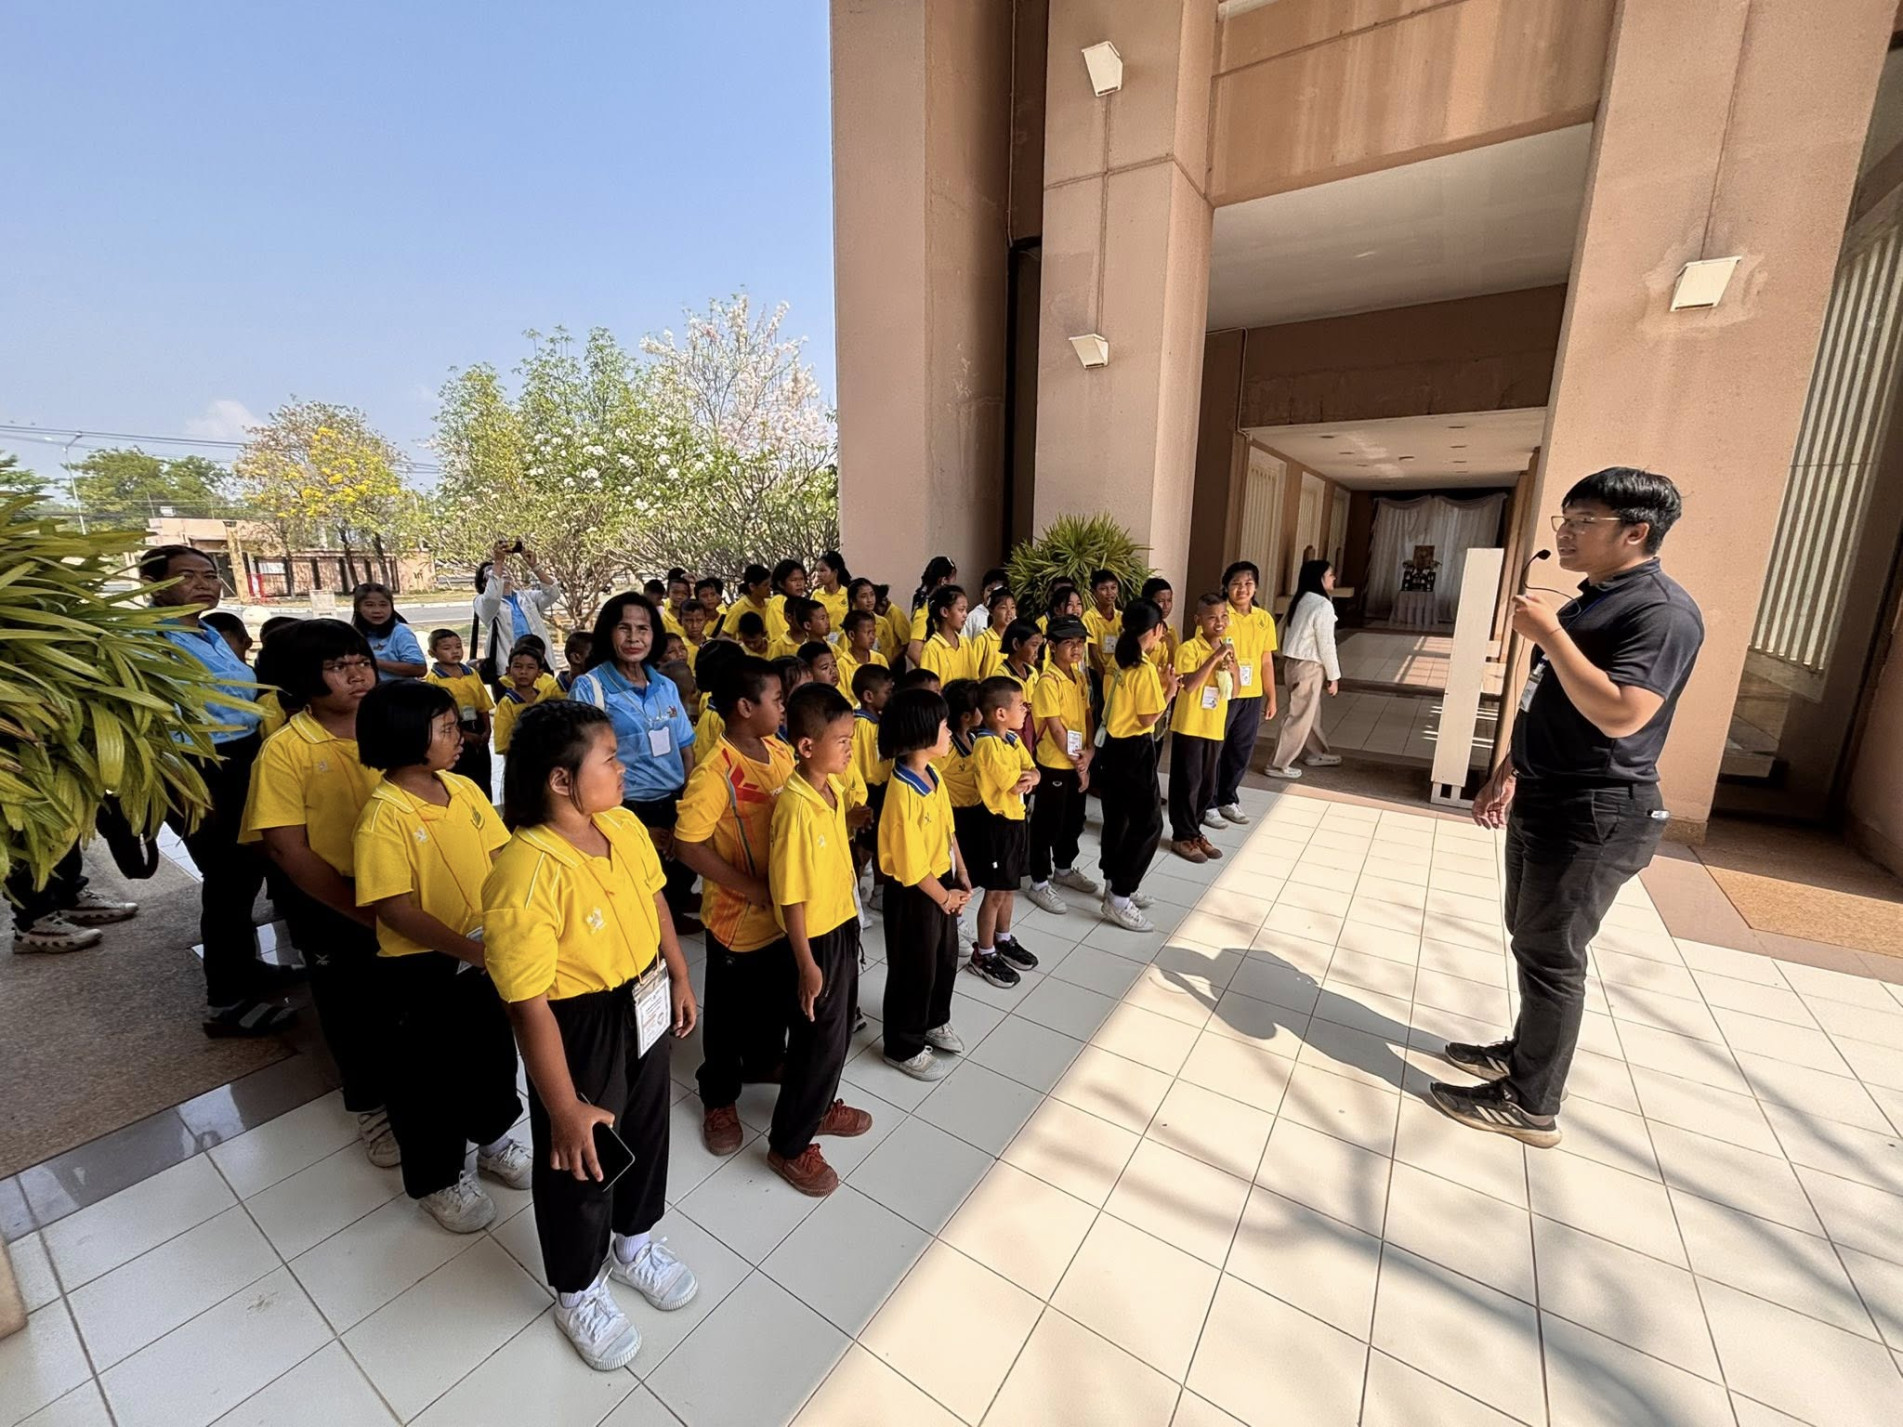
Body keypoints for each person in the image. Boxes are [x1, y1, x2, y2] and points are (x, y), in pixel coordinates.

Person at [1431, 468, 1704, 1148]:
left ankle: (1531, 1103)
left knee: (1553, 954)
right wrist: (1509, 767)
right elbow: (1546, 698)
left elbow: (1623, 712)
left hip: (1596, 809)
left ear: (1635, 531)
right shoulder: (1592, 601)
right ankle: (1522, 1055)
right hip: (1547, 793)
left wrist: (1550, 635)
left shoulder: (1661, 612)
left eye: (1584, 521)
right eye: (1566, 518)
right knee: (1530, 938)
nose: (1566, 532)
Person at [482, 701, 700, 1371]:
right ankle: (577, 1288)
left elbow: (656, 898)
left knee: (647, 1128)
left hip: (644, 994)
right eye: (608, 758)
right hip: (576, 1023)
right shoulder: (525, 871)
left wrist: (678, 972)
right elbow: (527, 1005)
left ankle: (633, 1242)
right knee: (581, 1154)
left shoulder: (622, 825)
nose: (622, 767)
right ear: (560, 779)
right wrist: (562, 1107)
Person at [351, 680, 531, 1231]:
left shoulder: (464, 789)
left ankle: (494, 1138)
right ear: (406, 736)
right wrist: (472, 950)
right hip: (423, 969)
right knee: (426, 1077)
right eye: (447, 728)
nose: (460, 736)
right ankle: (438, 1177)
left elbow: (502, 855)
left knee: (490, 1052)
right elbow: (395, 910)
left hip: (482, 954)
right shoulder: (384, 816)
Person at [241, 619, 395, 1164]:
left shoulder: (391, 728)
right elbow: (288, 850)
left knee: (405, 997)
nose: (357, 674)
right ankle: (370, 1105)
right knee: (349, 1005)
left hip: (402, 891)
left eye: (361, 661)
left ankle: (419, 1087)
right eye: (336, 667)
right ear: (303, 679)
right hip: (334, 901)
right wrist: (358, 911)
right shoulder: (286, 750)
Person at [126, 550, 284, 1033]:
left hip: (241, 759)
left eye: (210, 575)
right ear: (151, 583)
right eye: (187, 576)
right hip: (197, 767)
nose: (203, 584)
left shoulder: (208, 632)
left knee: (248, 871)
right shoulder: (147, 641)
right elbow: (150, 723)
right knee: (226, 877)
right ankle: (226, 1000)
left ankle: (246, 968)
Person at [673, 656, 794, 1157]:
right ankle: (719, 1095)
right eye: (777, 699)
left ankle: (765, 1059)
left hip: (782, 912)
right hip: (736, 918)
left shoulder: (779, 750)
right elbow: (687, 845)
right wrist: (748, 886)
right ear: (745, 706)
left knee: (775, 996)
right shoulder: (715, 773)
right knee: (727, 1015)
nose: (784, 707)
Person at [765, 683, 875, 1195]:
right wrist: (807, 964)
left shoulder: (830, 791)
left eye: (852, 739)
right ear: (807, 746)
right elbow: (790, 897)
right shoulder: (794, 808)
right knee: (815, 1042)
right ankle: (789, 1145)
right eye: (842, 741)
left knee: (836, 1034)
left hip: (840, 923)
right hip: (814, 941)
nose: (851, 749)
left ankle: (820, 1105)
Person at [568, 593, 701, 934]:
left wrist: (688, 802)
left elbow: (685, 747)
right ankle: (655, 928)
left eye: (643, 629)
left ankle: (676, 906)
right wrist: (623, 818)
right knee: (638, 875)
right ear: (608, 633)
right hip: (625, 805)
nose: (634, 637)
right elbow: (584, 762)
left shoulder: (665, 686)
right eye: (623, 628)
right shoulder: (591, 688)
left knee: (678, 863)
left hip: (673, 798)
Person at [877, 686, 970, 1080]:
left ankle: (934, 1019)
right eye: (944, 726)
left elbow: (948, 829)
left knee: (943, 959)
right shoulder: (902, 791)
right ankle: (903, 1045)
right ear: (920, 733)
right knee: (913, 968)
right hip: (916, 894)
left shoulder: (932, 775)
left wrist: (961, 872)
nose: (950, 732)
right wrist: (945, 897)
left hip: (941, 884)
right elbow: (911, 868)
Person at [1097, 599, 1177, 931]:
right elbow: (1147, 717)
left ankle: (1113, 882)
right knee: (1149, 824)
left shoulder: (1118, 660)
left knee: (1118, 818)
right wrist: (1169, 691)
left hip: (1112, 749)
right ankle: (1120, 897)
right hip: (1134, 750)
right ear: (1156, 630)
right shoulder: (1141, 668)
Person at [1023, 616, 1098, 915]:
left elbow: (1087, 715)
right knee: (1047, 823)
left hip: (1077, 761)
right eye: (1069, 643)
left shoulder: (1079, 677)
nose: (1076, 649)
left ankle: (1064, 868)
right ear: (1052, 646)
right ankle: (1039, 881)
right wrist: (1080, 763)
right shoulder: (1048, 681)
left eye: (1080, 643)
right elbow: (1055, 729)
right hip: (1054, 764)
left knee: (1073, 820)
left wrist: (1089, 753)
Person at [969, 676, 1040, 976]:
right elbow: (1014, 784)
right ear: (1000, 713)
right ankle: (984, 953)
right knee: (995, 891)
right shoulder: (986, 745)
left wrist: (1033, 776)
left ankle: (1003, 938)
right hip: (997, 825)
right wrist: (1027, 778)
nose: (1026, 709)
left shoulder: (1011, 739)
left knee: (1010, 886)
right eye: (1021, 704)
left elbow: (1032, 770)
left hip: (1016, 821)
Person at [1168, 593, 1239, 864]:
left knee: (1207, 785)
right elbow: (1189, 685)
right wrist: (1214, 657)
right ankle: (1182, 836)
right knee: (1188, 783)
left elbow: (1235, 691)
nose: (1219, 622)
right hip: (1190, 726)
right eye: (1212, 617)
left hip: (1214, 726)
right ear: (1198, 620)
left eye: (1223, 616)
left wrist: (1232, 666)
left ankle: (1195, 832)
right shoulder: (1188, 648)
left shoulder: (1228, 647)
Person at [1209, 560, 1278, 827]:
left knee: (1241, 749)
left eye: (1248, 583)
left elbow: (1266, 662)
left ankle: (1228, 798)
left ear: (1256, 587)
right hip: (1223, 691)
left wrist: (1272, 696)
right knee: (1216, 747)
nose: (1242, 589)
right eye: (1236, 583)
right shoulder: (1218, 614)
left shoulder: (1263, 619)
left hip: (1251, 694)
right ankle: (1208, 802)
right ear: (1226, 586)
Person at [1267, 559, 1343, 778]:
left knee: (1310, 712)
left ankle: (1317, 752)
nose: (1334, 578)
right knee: (1299, 716)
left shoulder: (1300, 600)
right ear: (1320, 578)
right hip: (1309, 667)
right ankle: (1278, 764)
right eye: (1330, 574)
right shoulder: (1322, 605)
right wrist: (1334, 676)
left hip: (1292, 665)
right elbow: (1326, 644)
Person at [475, 544, 562, 681]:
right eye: (493, 572)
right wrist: (498, 562)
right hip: (509, 668)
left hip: (540, 664)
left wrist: (534, 566)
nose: (502, 571)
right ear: (485, 584)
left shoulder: (526, 597)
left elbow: (553, 593)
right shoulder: (482, 602)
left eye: (504, 568)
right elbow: (491, 598)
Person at [424, 628, 495, 792]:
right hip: (453, 730)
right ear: (432, 653)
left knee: (483, 774)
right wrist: (463, 734)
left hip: (477, 727)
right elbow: (438, 716)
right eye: (447, 648)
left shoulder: (471, 673)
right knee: (461, 774)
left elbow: (483, 703)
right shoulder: (434, 680)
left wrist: (487, 729)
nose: (455, 651)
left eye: (458, 646)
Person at [493, 646, 559, 756]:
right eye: (518, 667)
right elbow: (503, 744)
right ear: (508, 671)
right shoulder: (506, 704)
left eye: (530, 667)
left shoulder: (544, 699)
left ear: (539, 673)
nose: (523, 672)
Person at [353, 582, 426, 682]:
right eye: (369, 605)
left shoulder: (400, 632)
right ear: (358, 608)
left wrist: (373, 662)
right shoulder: (352, 634)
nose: (377, 610)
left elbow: (420, 669)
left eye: (383, 605)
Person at [917, 585, 981, 684]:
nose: (965, 615)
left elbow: (974, 679)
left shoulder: (965, 643)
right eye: (961, 610)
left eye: (966, 610)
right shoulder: (932, 648)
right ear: (944, 612)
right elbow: (930, 687)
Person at [905, 555, 959, 665]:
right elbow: (913, 651)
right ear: (944, 580)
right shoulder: (924, 609)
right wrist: (932, 671)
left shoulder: (937, 606)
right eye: (953, 579)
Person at [834, 609, 888, 703]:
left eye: (873, 632)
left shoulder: (880, 659)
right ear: (852, 635)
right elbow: (842, 698)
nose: (873, 637)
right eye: (868, 632)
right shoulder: (841, 665)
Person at [1083, 569, 1123, 683]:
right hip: (1098, 673)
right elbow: (1093, 653)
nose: (1109, 593)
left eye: (1113, 588)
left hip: (1118, 672)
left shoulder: (1121, 616)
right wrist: (1104, 678)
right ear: (1094, 592)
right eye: (1103, 589)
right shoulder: (1089, 617)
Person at [974, 586, 1017, 675]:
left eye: (1012, 607)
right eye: (1003, 607)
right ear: (991, 611)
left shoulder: (1015, 642)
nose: (1009, 612)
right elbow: (972, 673)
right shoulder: (982, 641)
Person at [1140, 577, 1178, 673]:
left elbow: (1174, 668)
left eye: (1169, 600)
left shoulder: (1171, 630)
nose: (1166, 606)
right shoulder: (1139, 630)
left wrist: (1170, 649)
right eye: (1160, 601)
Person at [811, 550, 852, 634]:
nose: (818, 574)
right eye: (817, 570)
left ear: (835, 572)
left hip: (845, 640)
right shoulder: (816, 595)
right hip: (823, 640)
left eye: (822, 570)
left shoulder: (848, 593)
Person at [962, 568, 1009, 640]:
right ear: (982, 592)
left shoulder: (1010, 615)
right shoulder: (973, 616)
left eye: (998, 590)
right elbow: (964, 641)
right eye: (990, 590)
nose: (993, 594)